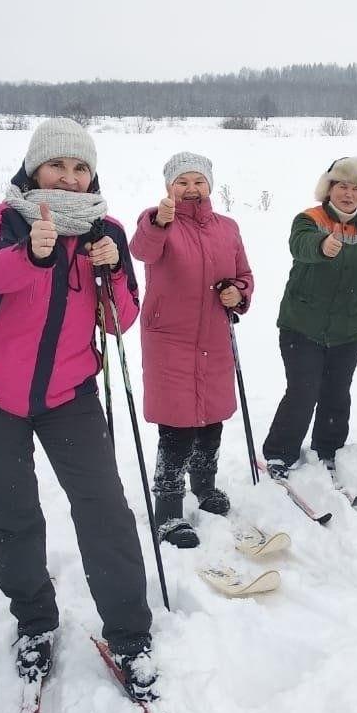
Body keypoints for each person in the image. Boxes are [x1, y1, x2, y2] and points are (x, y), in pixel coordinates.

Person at [0, 117, 156, 698]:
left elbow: (121, 320)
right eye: (57, 166)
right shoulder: (5, 219)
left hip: (70, 396)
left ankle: (129, 634)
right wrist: (34, 253)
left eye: (80, 168)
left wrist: (114, 267)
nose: (69, 179)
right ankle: (35, 622)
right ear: (33, 168)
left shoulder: (106, 230)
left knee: (105, 511)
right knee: (14, 517)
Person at [130, 152, 254, 548]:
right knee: (177, 426)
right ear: (169, 188)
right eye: (181, 182)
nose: (190, 189)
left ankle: (205, 487)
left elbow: (243, 275)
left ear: (210, 186)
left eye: (198, 181)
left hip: (214, 339)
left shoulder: (228, 228)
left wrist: (239, 293)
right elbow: (142, 250)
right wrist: (158, 222)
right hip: (170, 340)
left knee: (211, 421)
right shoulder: (158, 221)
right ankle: (167, 511)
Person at [262, 156, 357, 477]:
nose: (349, 193)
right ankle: (279, 453)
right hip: (301, 325)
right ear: (328, 188)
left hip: (349, 328)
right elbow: (299, 245)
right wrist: (322, 245)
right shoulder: (309, 219)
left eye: (356, 188)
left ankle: (328, 449)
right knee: (303, 391)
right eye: (342, 185)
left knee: (337, 392)